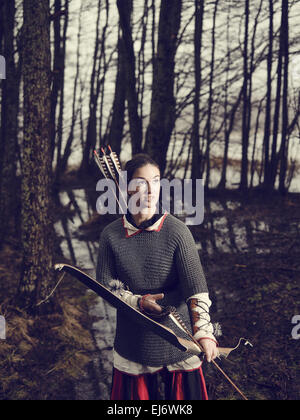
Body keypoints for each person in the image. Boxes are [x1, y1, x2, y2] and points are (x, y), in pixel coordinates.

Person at [96, 153, 219, 400]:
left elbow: (196, 290)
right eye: (141, 182)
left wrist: (204, 332)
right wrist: (138, 302)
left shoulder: (177, 231)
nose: (150, 190)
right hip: (134, 339)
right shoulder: (110, 236)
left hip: (179, 338)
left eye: (155, 180)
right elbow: (107, 288)